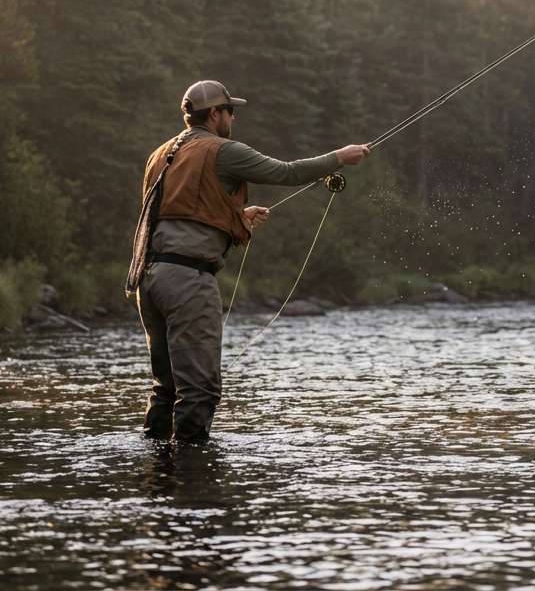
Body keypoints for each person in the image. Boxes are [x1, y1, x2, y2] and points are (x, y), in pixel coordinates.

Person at [130, 79, 370, 444]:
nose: (233, 119)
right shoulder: (223, 150)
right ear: (214, 114)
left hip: (148, 279)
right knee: (199, 390)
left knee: (166, 386)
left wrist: (237, 216)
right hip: (188, 282)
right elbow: (286, 172)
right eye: (230, 111)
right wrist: (339, 157)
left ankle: (157, 471)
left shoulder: (160, 153)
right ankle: (192, 480)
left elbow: (175, 213)